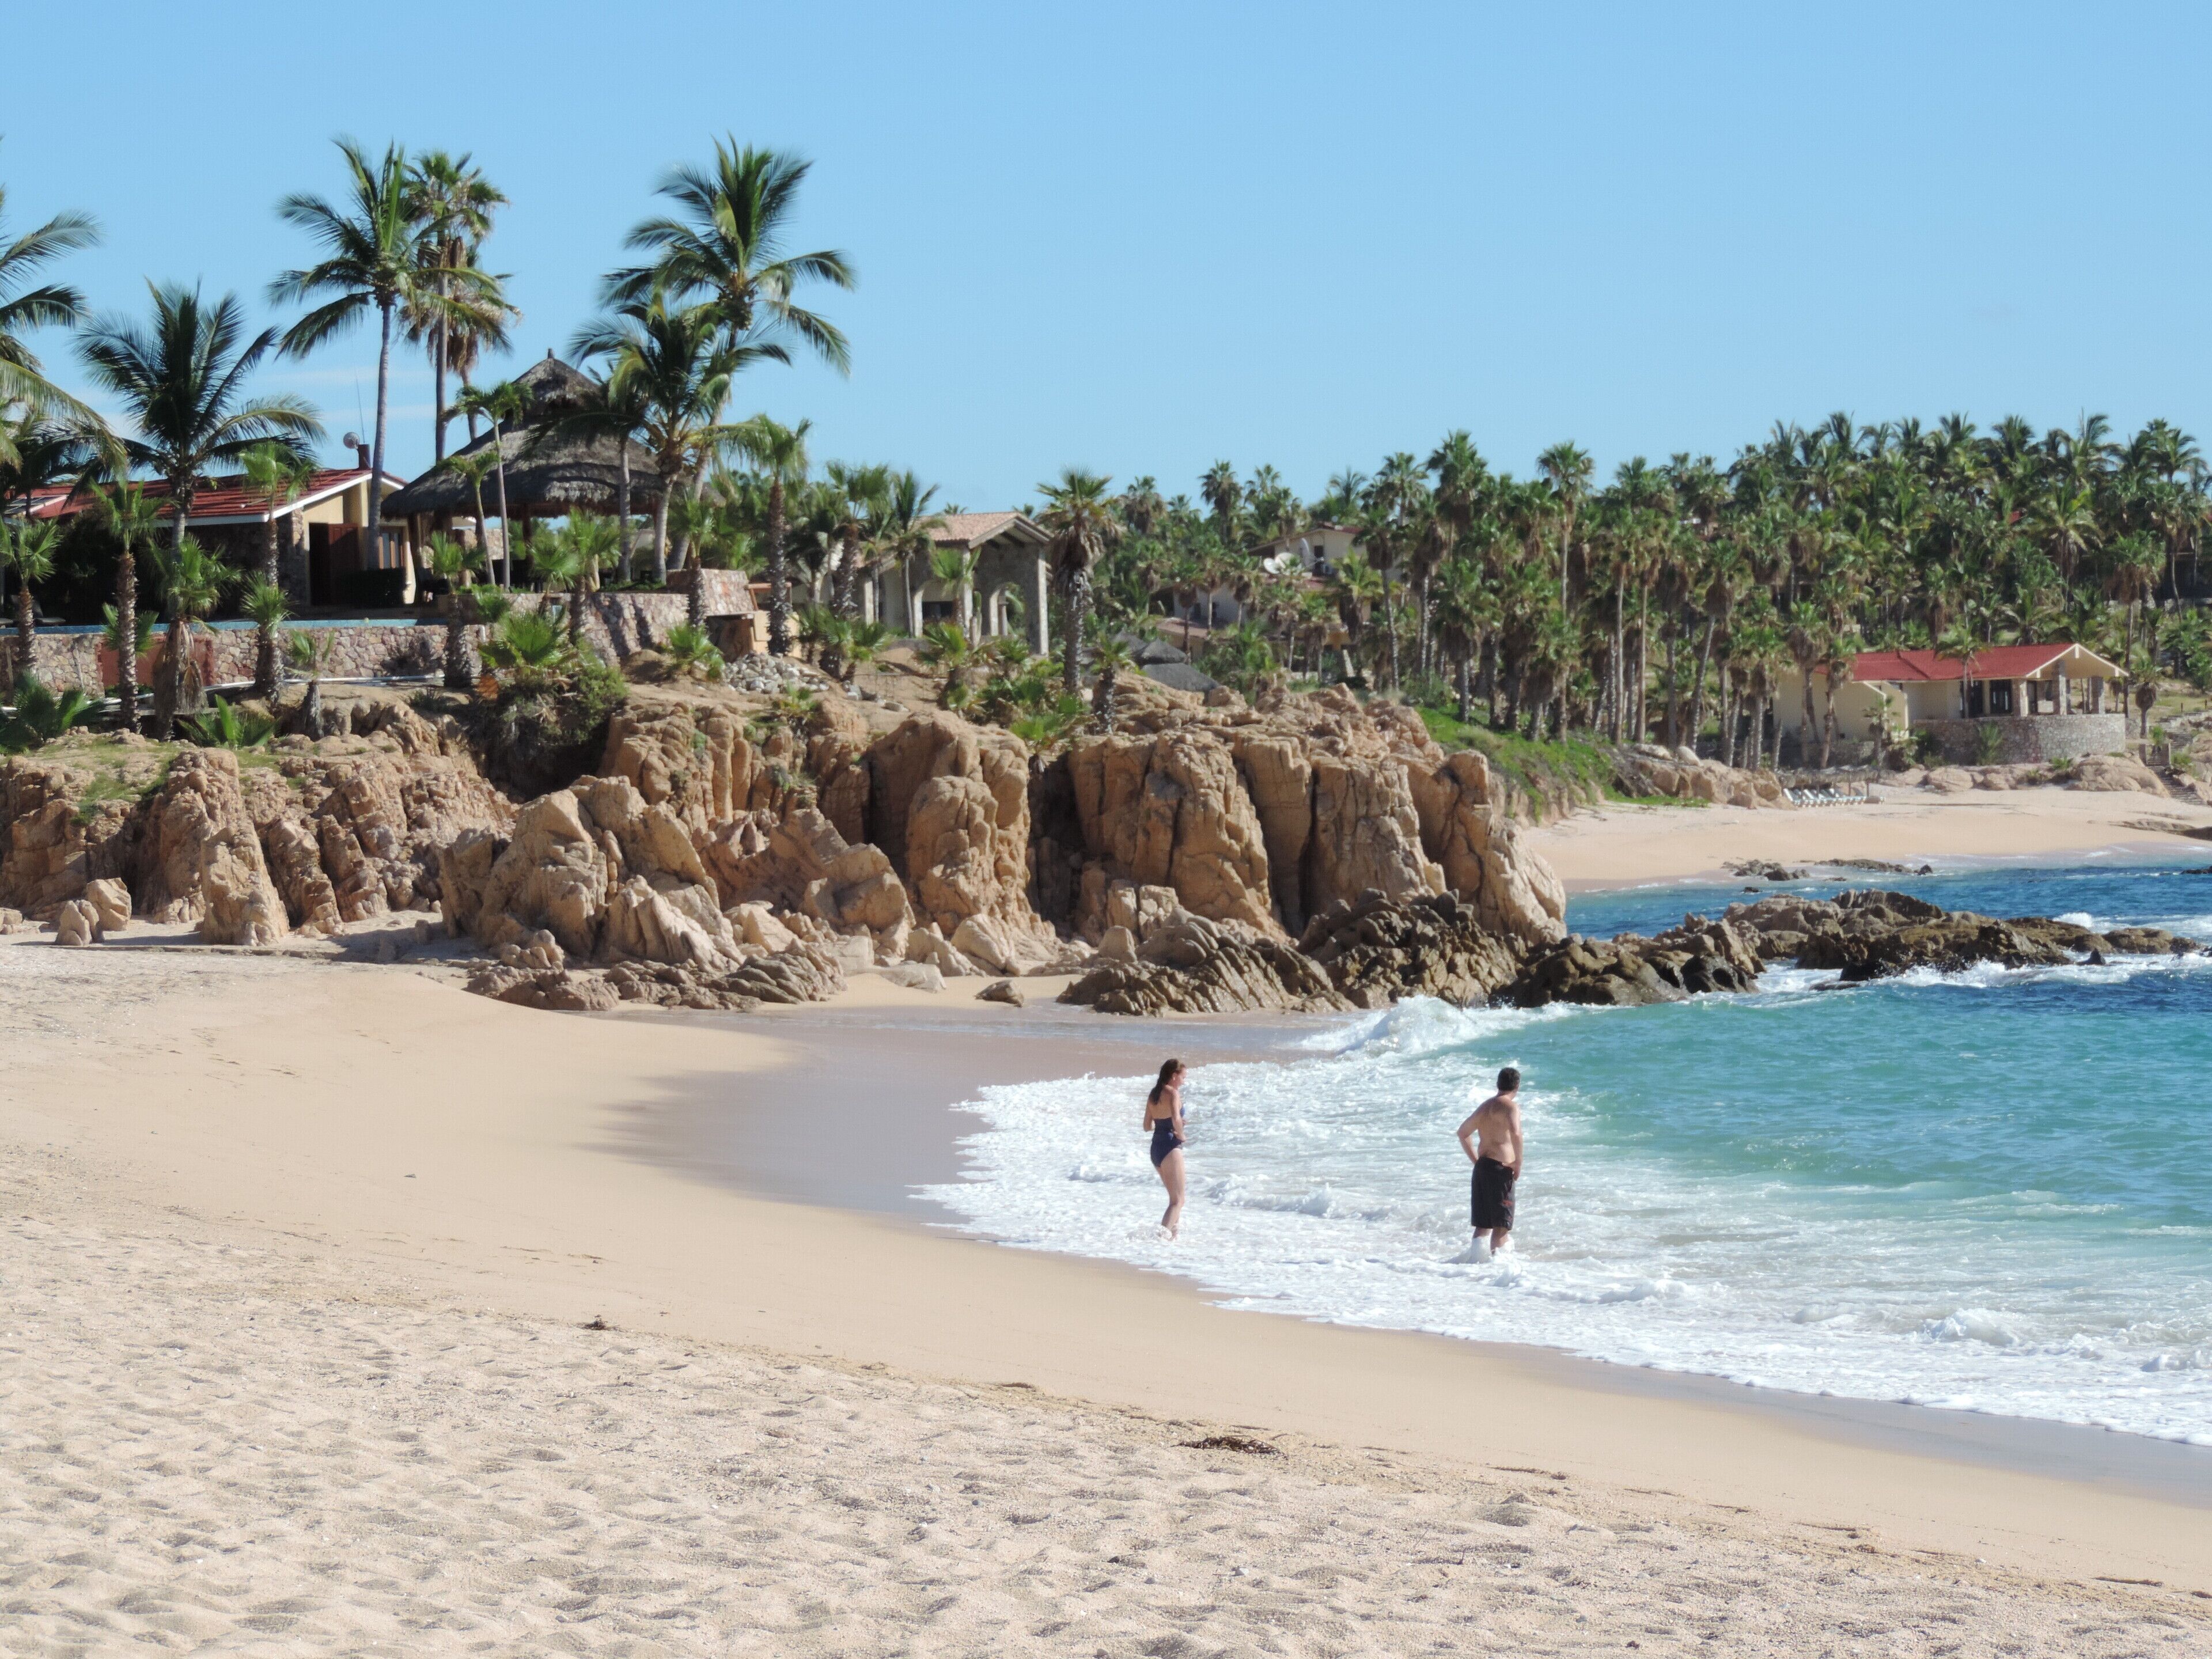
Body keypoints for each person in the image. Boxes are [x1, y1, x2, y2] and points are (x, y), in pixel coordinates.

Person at [1456, 1066, 1523, 1259]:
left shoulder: (1485, 1107)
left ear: (1498, 1084)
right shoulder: (1511, 1107)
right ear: (1517, 1086)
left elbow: (1463, 1133)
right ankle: (1496, 1270)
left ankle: (1475, 1266)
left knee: (1482, 1226)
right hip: (1500, 1170)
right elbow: (1516, 1132)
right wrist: (1518, 1162)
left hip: (1482, 1169)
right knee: (1501, 1228)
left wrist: (1476, 1161)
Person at [1143, 1058, 1187, 1237]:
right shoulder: (1173, 1094)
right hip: (1170, 1147)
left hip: (1156, 1148)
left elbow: (1147, 1126)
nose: (1184, 1082)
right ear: (1174, 1076)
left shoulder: (1154, 1094)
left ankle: (1172, 1239)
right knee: (1178, 1201)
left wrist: (1165, 1123)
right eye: (1183, 1077)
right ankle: (1161, 1238)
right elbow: (1176, 1119)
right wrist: (1181, 1134)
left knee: (1174, 1199)